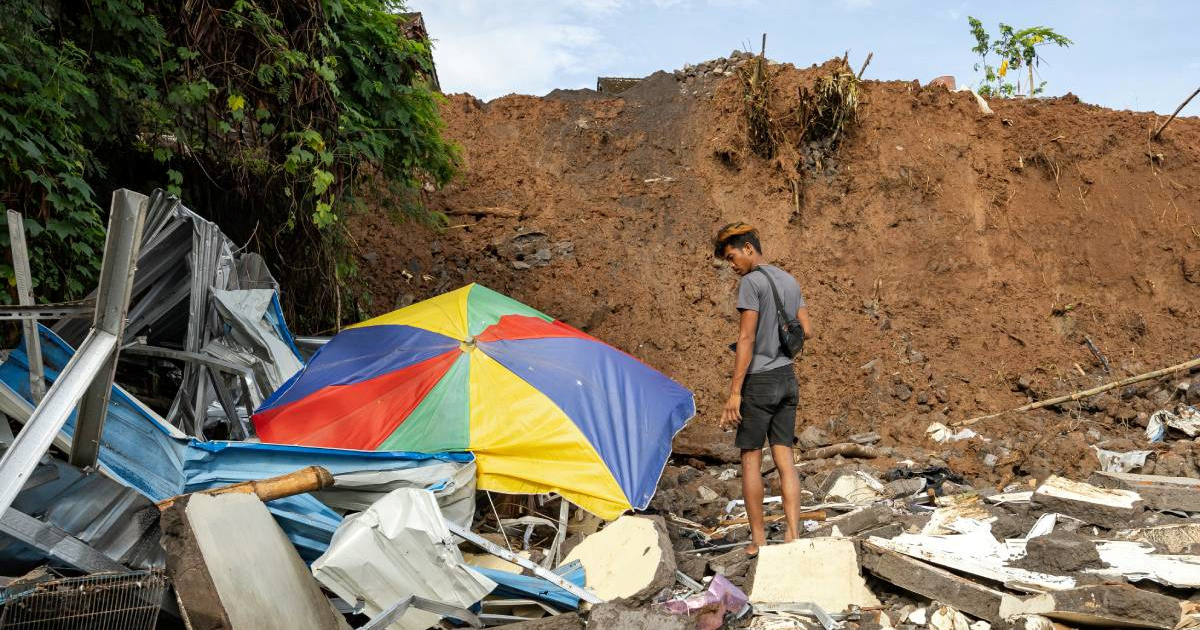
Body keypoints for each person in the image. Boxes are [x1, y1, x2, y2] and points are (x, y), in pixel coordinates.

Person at [713, 222, 812, 557]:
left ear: (749, 248)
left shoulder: (751, 284)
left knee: (751, 460)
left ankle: (758, 540)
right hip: (787, 378)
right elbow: (807, 330)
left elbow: (746, 337)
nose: (732, 264)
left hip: (759, 381)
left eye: (732, 256)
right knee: (785, 457)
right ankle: (792, 534)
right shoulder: (789, 280)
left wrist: (735, 392)